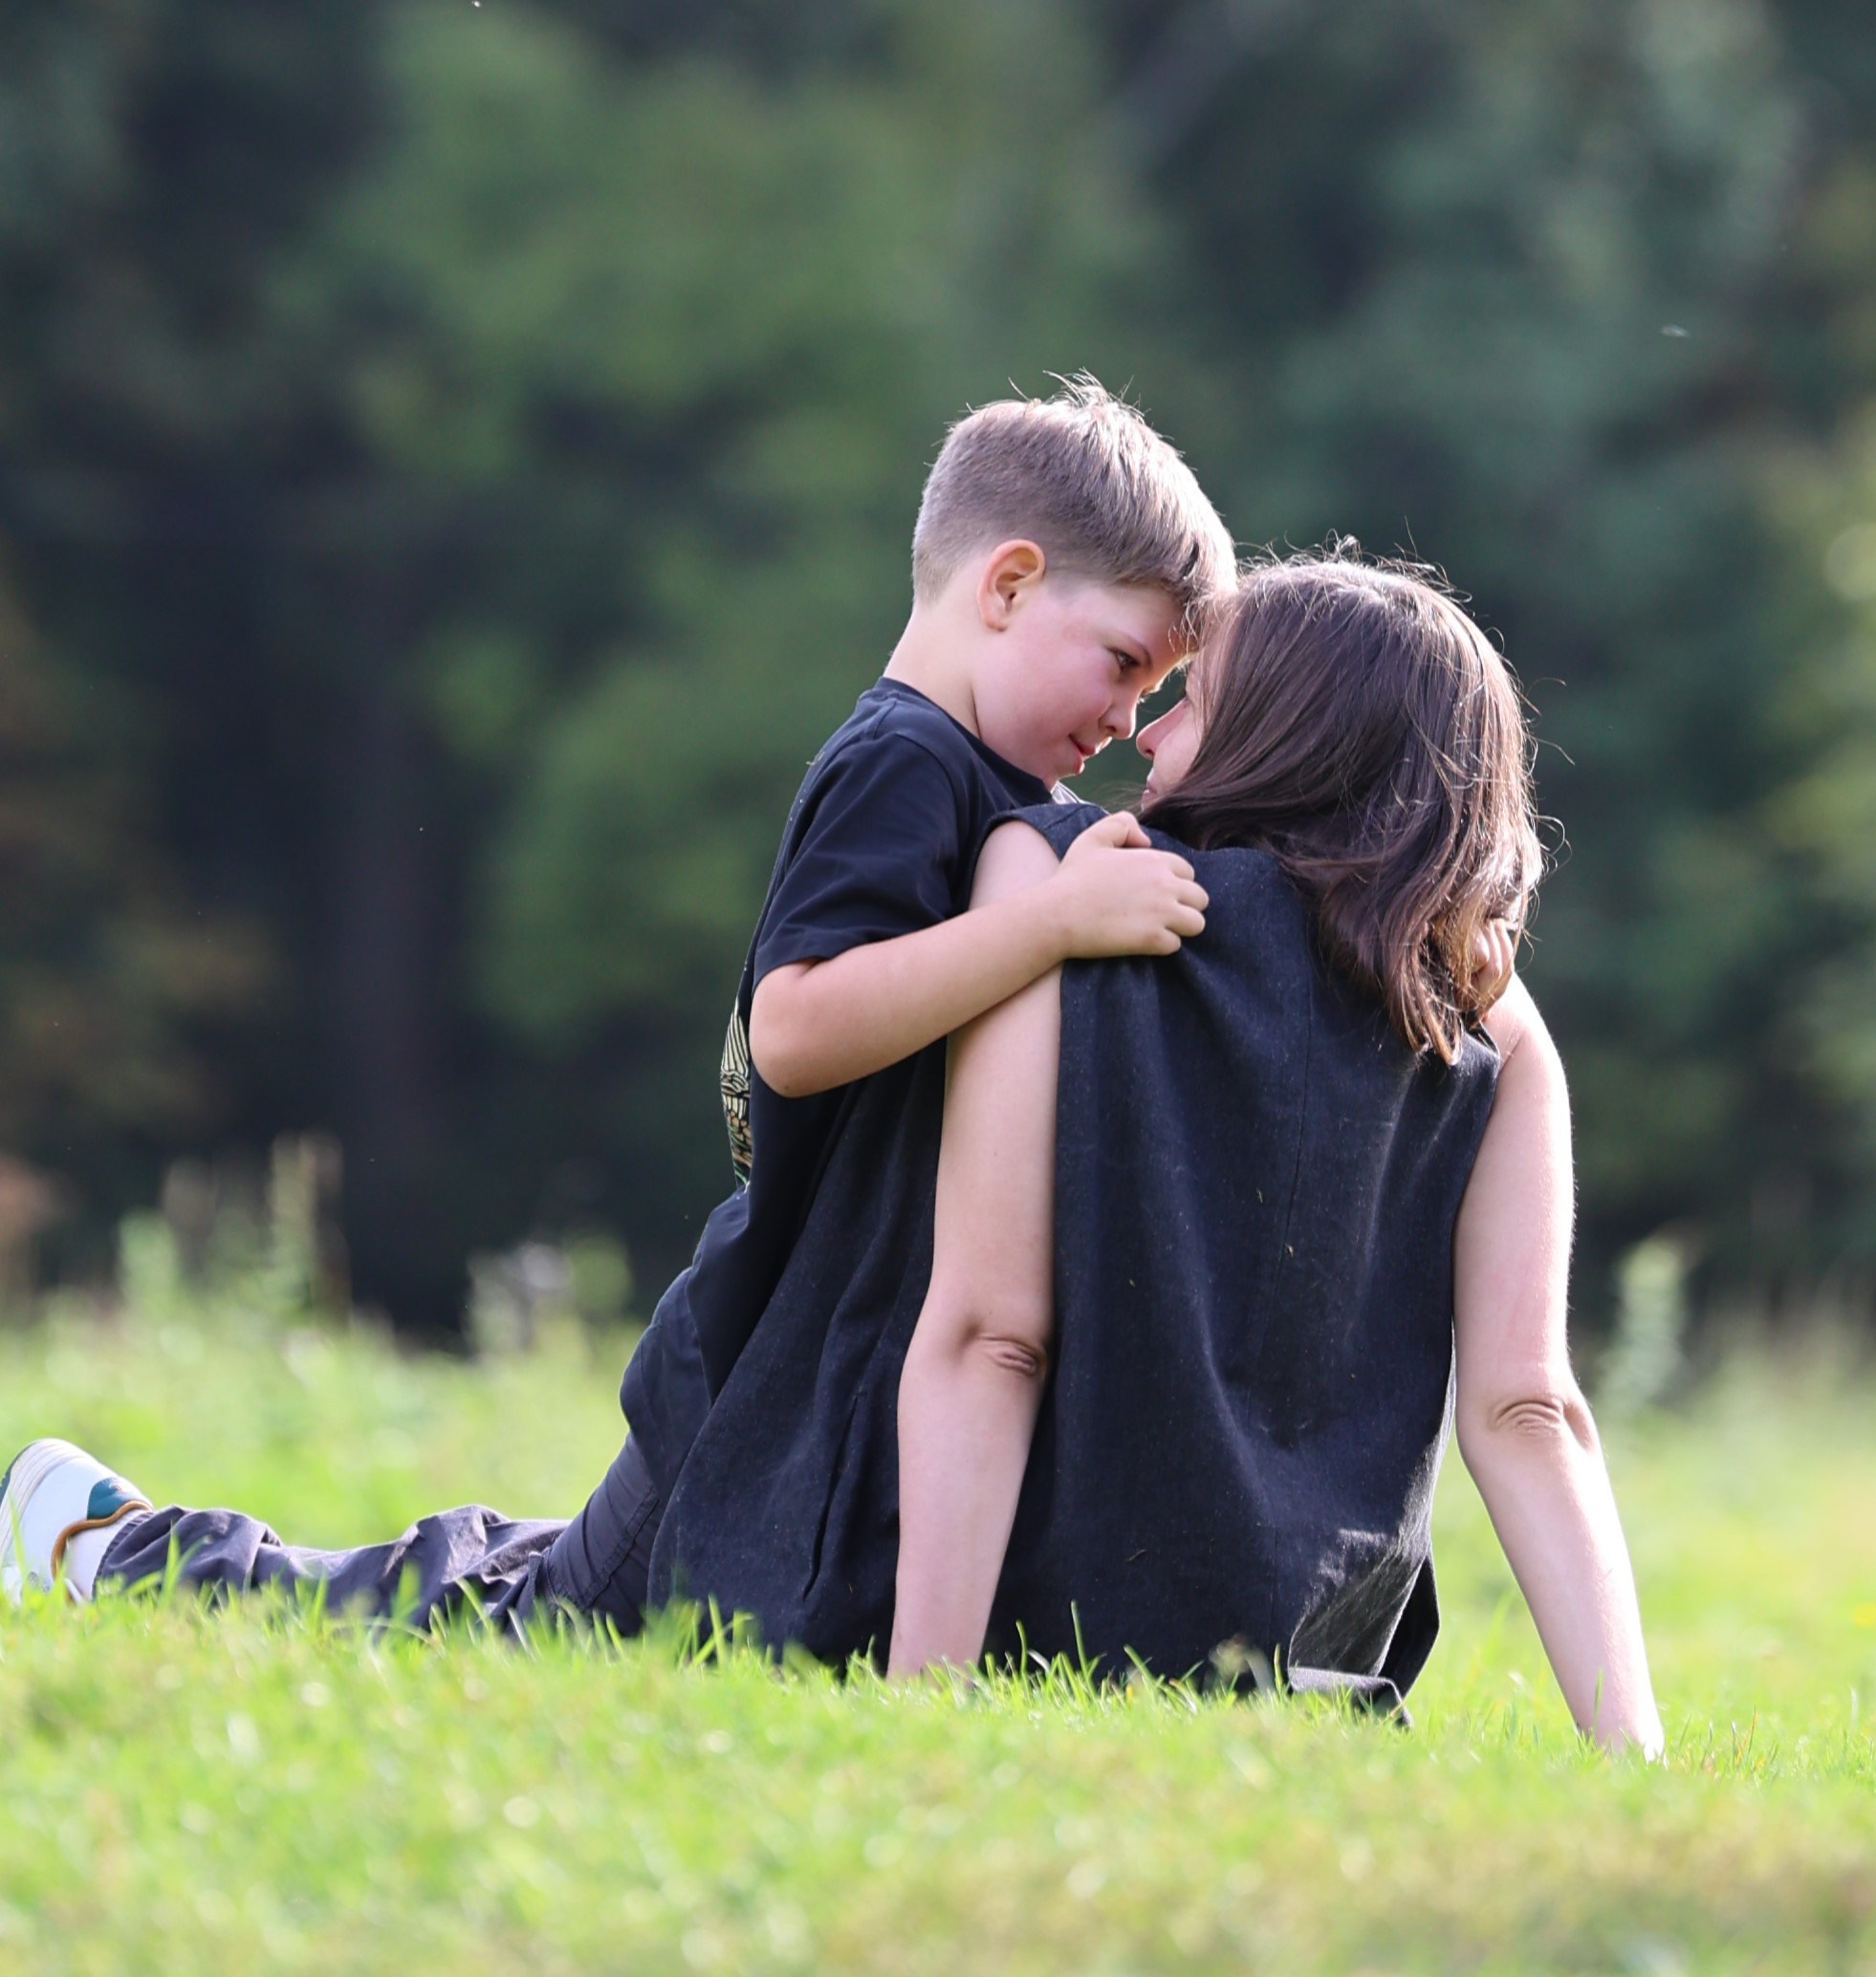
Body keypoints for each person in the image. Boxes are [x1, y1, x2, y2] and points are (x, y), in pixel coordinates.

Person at [1, 378, 1234, 1619]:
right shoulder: (904, 764)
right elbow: (796, 1031)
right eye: (1126, 663)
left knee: (568, 1592)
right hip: (755, 1363)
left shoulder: (994, 791)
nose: (1130, 721)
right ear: (1007, 585)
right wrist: (1042, 925)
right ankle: (126, 1562)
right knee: (530, 1627)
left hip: (816, 1368)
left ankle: (135, 1547)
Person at [885, 553, 1662, 1750]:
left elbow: (993, 1332)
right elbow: (1527, 1409)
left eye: (1192, 699)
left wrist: (921, 1705)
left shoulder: (1050, 880)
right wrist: (1634, 1758)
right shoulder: (1490, 1021)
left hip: (1043, 1647)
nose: (1149, 732)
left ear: (1284, 733)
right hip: (1316, 1707)